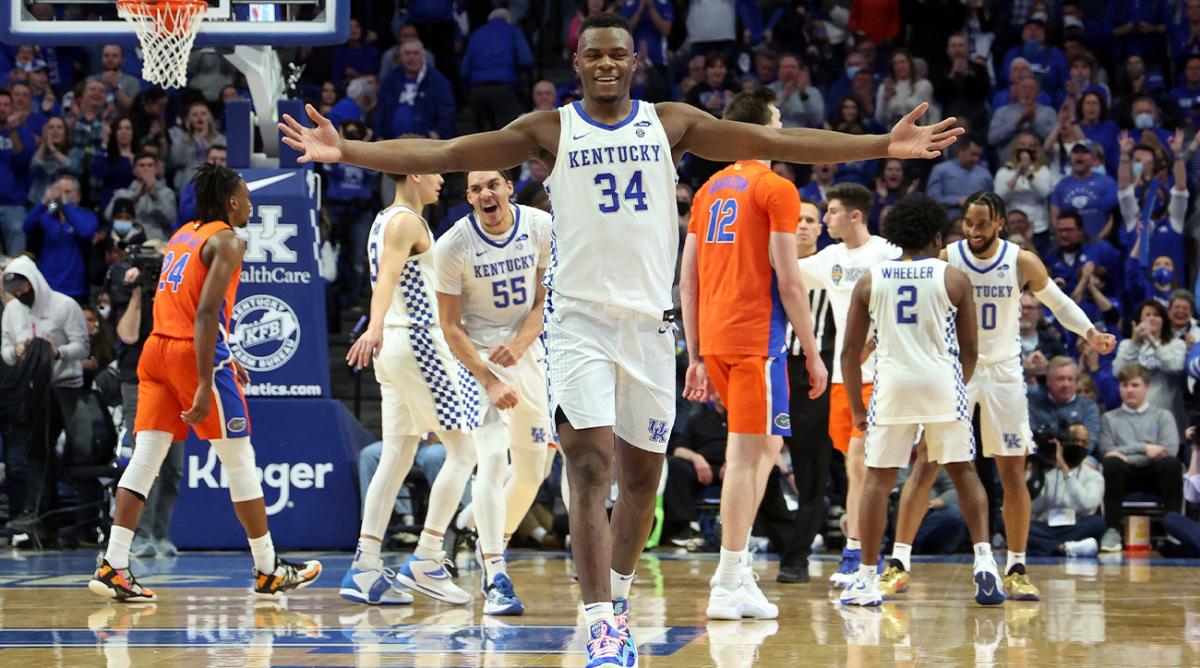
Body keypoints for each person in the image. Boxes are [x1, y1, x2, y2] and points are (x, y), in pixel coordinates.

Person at [279, 13, 960, 666]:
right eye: (593, 54)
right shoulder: (550, 128)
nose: (605, 64)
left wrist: (881, 146)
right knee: (588, 466)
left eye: (617, 54)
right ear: (577, 63)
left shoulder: (672, 124)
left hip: (648, 327)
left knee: (641, 481)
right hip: (577, 324)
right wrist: (348, 152)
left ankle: (620, 600)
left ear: (635, 61)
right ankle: (601, 621)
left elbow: (780, 144)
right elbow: (450, 152)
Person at [87, 164, 322, 602]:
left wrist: (225, 356)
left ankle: (113, 564)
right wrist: (203, 379)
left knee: (145, 458)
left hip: (154, 350)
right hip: (190, 354)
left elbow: (184, 302)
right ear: (232, 202)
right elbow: (206, 314)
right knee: (240, 461)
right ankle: (268, 568)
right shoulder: (229, 240)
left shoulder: (183, 234)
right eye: (247, 197)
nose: (251, 204)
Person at [885, 191, 1115, 600]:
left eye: (981, 223)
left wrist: (1091, 333)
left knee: (1012, 471)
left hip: (1004, 373)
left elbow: (1058, 304)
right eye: (968, 222)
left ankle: (1017, 567)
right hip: (956, 370)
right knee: (927, 461)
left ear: (1000, 224)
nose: (973, 230)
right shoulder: (946, 258)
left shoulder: (1020, 260)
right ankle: (899, 562)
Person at [678, 87, 827, 620]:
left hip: (716, 339)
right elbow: (789, 279)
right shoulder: (775, 187)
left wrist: (695, 354)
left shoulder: (709, 189)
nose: (782, 128)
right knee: (747, 457)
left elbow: (687, 281)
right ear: (761, 129)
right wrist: (811, 351)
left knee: (763, 451)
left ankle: (736, 573)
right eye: (778, 121)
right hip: (757, 339)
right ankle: (727, 576)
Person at [838, 194, 1003, 608]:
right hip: (941, 383)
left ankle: (867, 579)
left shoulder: (871, 279)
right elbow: (970, 350)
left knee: (877, 481)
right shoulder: (953, 278)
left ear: (895, 239)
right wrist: (956, 389)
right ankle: (984, 561)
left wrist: (858, 408)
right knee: (964, 473)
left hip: (892, 386)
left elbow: (848, 353)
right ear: (935, 235)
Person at [339, 169, 476, 608]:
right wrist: (375, 325)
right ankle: (429, 557)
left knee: (397, 455)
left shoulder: (383, 219)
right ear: (414, 172)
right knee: (464, 451)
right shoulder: (406, 222)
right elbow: (387, 279)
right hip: (416, 341)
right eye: (434, 171)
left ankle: (365, 566)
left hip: (397, 348)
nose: (441, 180)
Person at [433, 169, 555, 615]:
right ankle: (495, 573)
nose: (485, 194)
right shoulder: (453, 246)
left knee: (533, 469)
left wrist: (521, 347)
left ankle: (476, 529)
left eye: (492, 185)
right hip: (476, 361)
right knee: (490, 459)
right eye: (475, 189)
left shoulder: (540, 227)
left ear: (507, 188)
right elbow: (449, 326)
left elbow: (546, 300)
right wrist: (489, 378)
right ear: (468, 198)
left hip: (526, 353)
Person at [796, 182, 901, 590]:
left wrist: (871, 343)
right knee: (853, 467)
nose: (825, 220)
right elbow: (783, 267)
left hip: (882, 375)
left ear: (854, 216)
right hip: (845, 379)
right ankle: (863, 550)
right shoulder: (831, 258)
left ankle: (861, 554)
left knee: (863, 465)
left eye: (832, 212)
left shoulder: (887, 254)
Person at [0, 256, 92, 538]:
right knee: (38, 450)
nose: (20, 296)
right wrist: (16, 352)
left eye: (23, 289)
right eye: (14, 292)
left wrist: (57, 352)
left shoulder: (64, 305)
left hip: (64, 387)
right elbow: (4, 347)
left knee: (75, 455)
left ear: (34, 282)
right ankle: (38, 517)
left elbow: (83, 346)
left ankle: (78, 523)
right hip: (32, 390)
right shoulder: (13, 311)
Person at [776, 200, 836, 584]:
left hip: (816, 373)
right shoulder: (769, 262)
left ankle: (796, 556)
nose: (802, 226)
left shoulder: (834, 267)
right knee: (755, 466)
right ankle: (787, 539)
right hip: (773, 369)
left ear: (820, 229)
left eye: (810, 221)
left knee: (813, 469)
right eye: (796, 219)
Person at [1098, 363, 1184, 553]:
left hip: (1154, 474)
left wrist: (1127, 455)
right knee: (1111, 464)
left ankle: (1174, 529)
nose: (1129, 390)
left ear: (1147, 387)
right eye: (1124, 385)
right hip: (1123, 475)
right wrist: (1145, 447)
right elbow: (1106, 450)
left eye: (1135, 385)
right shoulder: (1109, 419)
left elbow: (1169, 449)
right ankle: (1112, 530)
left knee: (1171, 464)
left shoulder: (1163, 416)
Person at [1026, 424, 1106, 557]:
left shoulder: (1094, 475)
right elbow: (1034, 508)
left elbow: (1086, 505)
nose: (1079, 445)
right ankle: (1064, 548)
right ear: (1064, 444)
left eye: (1084, 442)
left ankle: (1044, 545)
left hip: (1077, 525)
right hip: (1048, 525)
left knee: (1097, 523)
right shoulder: (1048, 473)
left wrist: (1065, 470)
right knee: (1014, 523)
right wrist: (1032, 472)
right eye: (1075, 441)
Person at [23, 174, 97, 301]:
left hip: (75, 287)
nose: (60, 195)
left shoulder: (86, 215)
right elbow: (26, 227)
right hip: (48, 285)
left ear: (77, 196)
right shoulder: (47, 215)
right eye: (58, 191)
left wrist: (65, 205)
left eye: (67, 192)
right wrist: (43, 202)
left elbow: (86, 232)